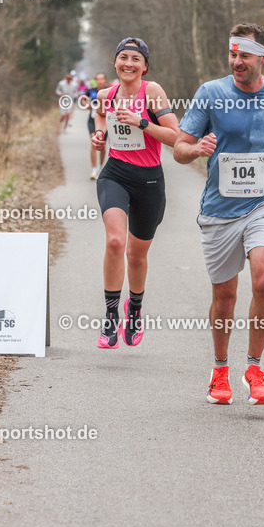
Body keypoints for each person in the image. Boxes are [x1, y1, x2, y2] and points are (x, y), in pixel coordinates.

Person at [174, 22, 264, 406]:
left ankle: (254, 367)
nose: (236, 61)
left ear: (261, 58)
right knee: (225, 297)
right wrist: (197, 148)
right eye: (233, 54)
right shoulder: (211, 93)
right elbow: (179, 149)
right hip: (219, 207)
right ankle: (220, 371)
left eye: (244, 55)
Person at [90, 38, 180, 349]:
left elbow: (175, 136)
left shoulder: (152, 93)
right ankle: (111, 316)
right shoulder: (107, 94)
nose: (129, 63)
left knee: (136, 255)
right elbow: (101, 115)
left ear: (145, 67)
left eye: (135, 59)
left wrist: (142, 122)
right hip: (115, 173)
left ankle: (135, 309)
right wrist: (100, 134)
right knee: (115, 241)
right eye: (123, 57)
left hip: (149, 182)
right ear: (114, 63)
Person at [81, 73, 106, 179]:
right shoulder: (91, 90)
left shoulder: (109, 91)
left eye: (102, 79)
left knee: (102, 145)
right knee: (93, 143)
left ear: (105, 80)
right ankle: (94, 170)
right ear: (95, 81)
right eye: (98, 79)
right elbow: (83, 99)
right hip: (92, 120)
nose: (100, 81)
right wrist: (86, 105)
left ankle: (101, 167)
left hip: (105, 121)